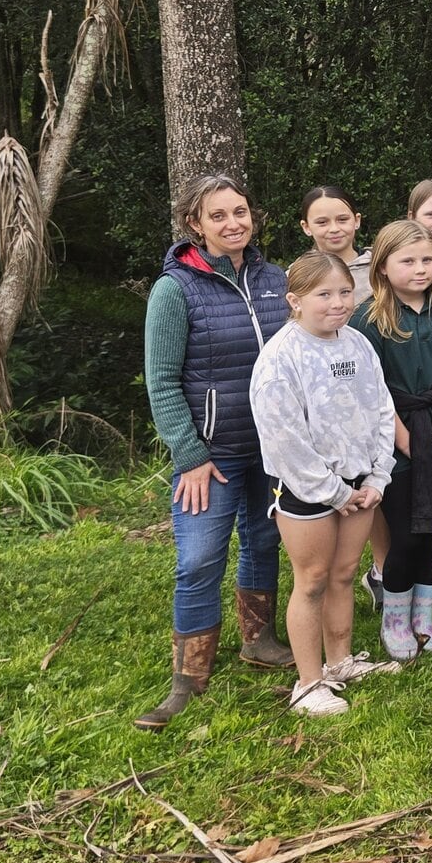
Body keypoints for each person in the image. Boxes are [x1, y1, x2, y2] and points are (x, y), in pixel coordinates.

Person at [137, 174, 293, 731]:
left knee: (265, 539)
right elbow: (160, 381)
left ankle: (260, 640)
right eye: (219, 215)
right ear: (195, 225)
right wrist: (190, 454)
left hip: (271, 449)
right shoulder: (174, 289)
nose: (234, 223)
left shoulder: (276, 280)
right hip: (212, 454)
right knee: (199, 558)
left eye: (241, 212)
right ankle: (188, 676)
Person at [249, 251, 399, 716]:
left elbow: (381, 409)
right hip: (308, 489)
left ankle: (340, 662)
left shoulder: (357, 344)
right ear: (295, 300)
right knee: (312, 579)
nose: (338, 303)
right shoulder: (280, 359)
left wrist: (378, 473)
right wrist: (334, 492)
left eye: (344, 292)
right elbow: (284, 439)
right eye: (323, 295)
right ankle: (308, 683)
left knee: (343, 574)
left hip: (361, 483)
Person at [350, 219, 432, 661]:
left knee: (429, 530)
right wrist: (408, 441)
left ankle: (424, 618)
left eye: (427, 260)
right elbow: (373, 393)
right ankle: (396, 621)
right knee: (405, 532)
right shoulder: (368, 319)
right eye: (408, 261)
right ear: (383, 267)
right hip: (397, 437)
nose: (421, 269)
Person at [298, 186, 371, 304]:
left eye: (342, 219)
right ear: (306, 227)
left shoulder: (381, 268)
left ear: (357, 220)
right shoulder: (295, 276)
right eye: (322, 222)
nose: (334, 229)